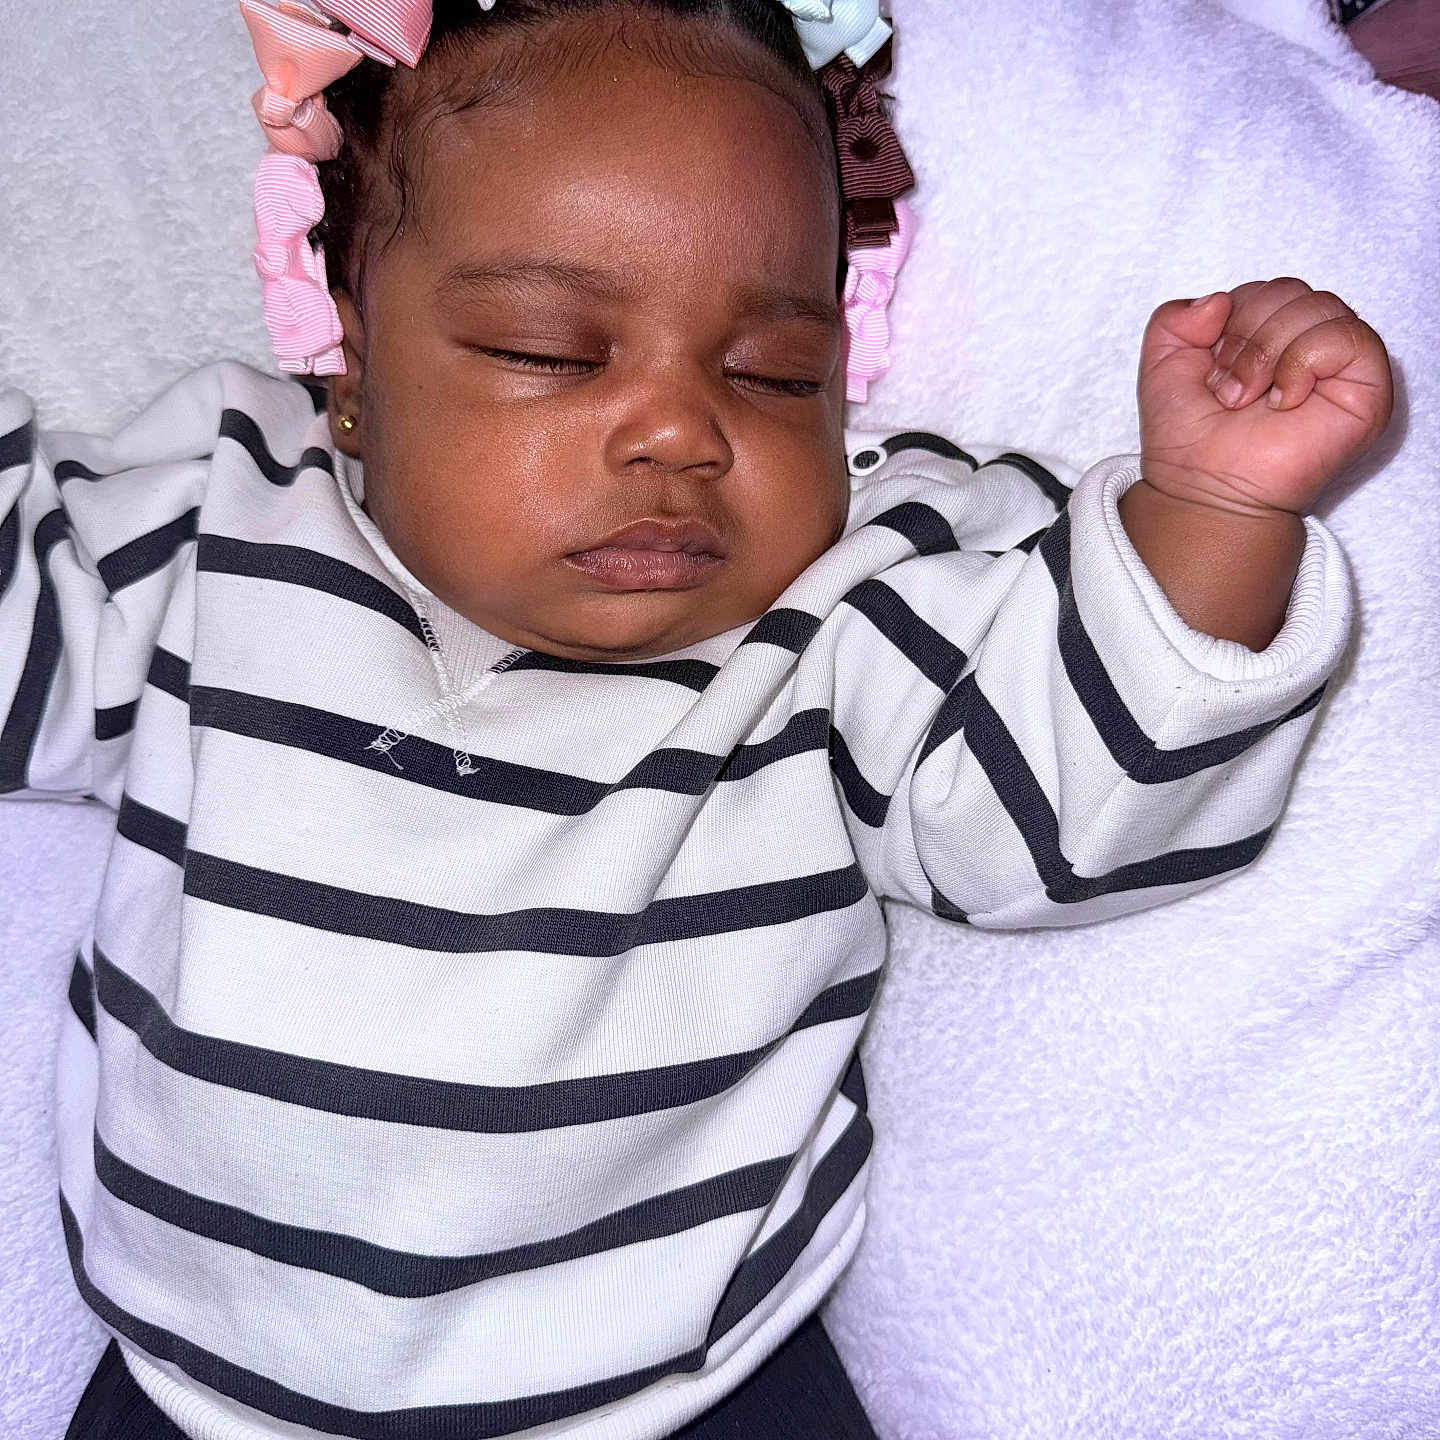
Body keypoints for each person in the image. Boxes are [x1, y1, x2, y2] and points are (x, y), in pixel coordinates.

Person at [0, 1, 1392, 1436]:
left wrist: (1218, 511)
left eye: (773, 374)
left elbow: (1069, 810)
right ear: (347, 350)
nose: (680, 429)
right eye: (548, 348)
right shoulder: (213, 518)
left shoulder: (842, 606)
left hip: (691, 1391)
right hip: (193, 1386)